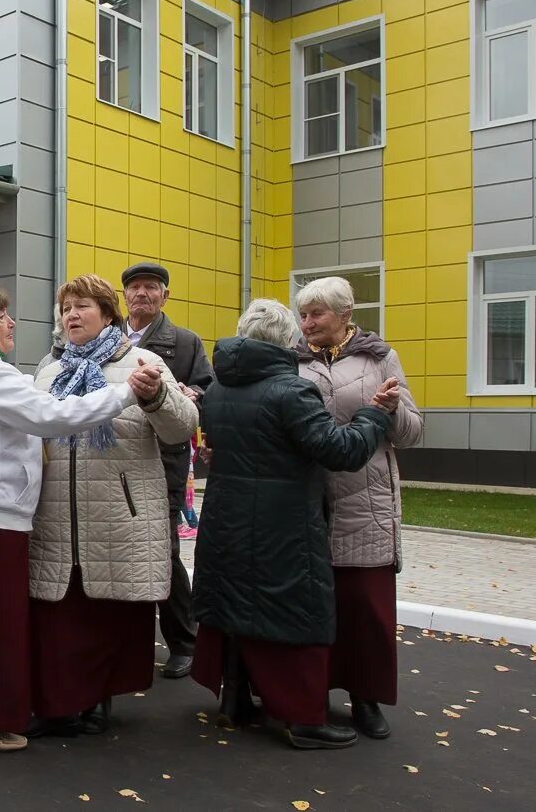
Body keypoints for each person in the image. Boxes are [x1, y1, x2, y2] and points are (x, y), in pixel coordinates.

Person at [0, 279, 164, 753]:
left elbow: (29, 398)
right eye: (2, 315)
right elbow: (52, 416)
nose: (12, 323)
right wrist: (125, 393)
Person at [190, 298, 398, 750]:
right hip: (281, 523)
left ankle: (236, 701)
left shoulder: (220, 388)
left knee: (236, 605)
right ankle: (304, 719)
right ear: (288, 341)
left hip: (226, 518)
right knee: (296, 610)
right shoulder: (290, 389)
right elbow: (340, 451)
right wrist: (374, 415)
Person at [27, 274, 199, 737]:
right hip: (57, 510)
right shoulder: (48, 368)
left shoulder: (143, 362)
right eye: (65, 307)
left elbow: (182, 427)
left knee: (105, 616)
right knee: (60, 616)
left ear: (107, 314)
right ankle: (59, 703)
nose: (71, 315)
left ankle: (95, 699)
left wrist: (158, 395)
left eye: (82, 306)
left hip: (119, 510)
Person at [294, 276, 423, 741]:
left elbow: (412, 432)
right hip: (309, 496)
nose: (307, 324)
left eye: (317, 315)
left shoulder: (378, 357)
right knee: (316, 604)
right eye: (303, 315)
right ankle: (316, 697)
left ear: (345, 315)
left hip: (365, 497)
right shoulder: (295, 361)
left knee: (365, 607)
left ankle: (366, 699)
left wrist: (391, 410)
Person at [120, 262, 214, 680]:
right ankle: (127, 645)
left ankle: (185, 641)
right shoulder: (110, 337)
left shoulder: (186, 342)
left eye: (151, 288)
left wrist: (194, 394)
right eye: (136, 288)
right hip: (116, 457)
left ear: (165, 296)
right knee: (119, 549)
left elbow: (207, 389)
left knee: (164, 551)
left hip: (164, 459)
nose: (143, 294)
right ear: (125, 296)